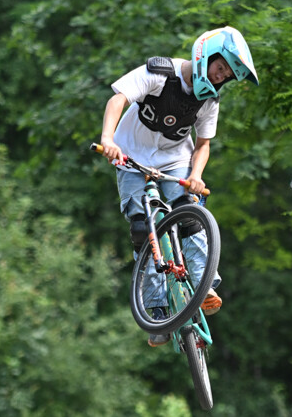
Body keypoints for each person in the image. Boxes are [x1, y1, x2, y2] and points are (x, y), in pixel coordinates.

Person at [97, 26, 260, 347]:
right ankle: (157, 312)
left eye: (226, 74)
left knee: (189, 212)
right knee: (143, 229)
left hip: (174, 161)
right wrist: (107, 139)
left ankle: (203, 284)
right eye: (221, 66)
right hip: (129, 155)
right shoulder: (160, 73)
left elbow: (203, 144)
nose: (220, 76)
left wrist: (196, 175)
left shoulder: (209, 102)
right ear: (206, 55)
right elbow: (118, 99)